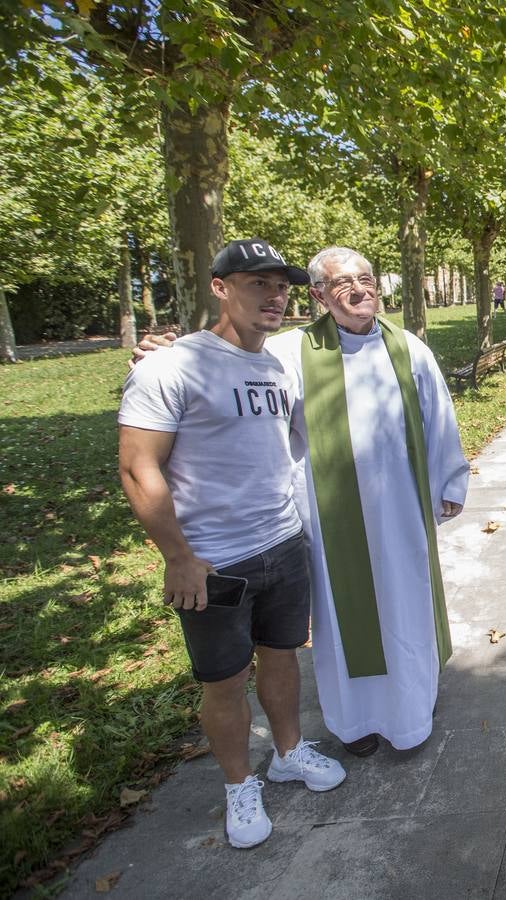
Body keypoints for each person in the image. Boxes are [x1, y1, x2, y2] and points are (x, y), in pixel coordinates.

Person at [134, 247, 470, 760]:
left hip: (400, 507)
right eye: (342, 283)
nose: (359, 290)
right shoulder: (290, 352)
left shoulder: (409, 348)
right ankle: (355, 719)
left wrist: (450, 480)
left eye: (366, 278)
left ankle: (410, 710)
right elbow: (228, 365)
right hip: (327, 515)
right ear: (317, 296)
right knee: (341, 616)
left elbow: (438, 414)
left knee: (406, 608)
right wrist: (168, 349)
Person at [119, 238, 347, 850]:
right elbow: (139, 468)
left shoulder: (277, 365)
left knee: (281, 656)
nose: (274, 297)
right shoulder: (171, 366)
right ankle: (237, 784)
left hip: (282, 539)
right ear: (219, 288)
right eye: (257, 284)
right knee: (222, 682)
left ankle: (289, 752)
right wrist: (179, 559)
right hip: (214, 561)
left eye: (281, 287)